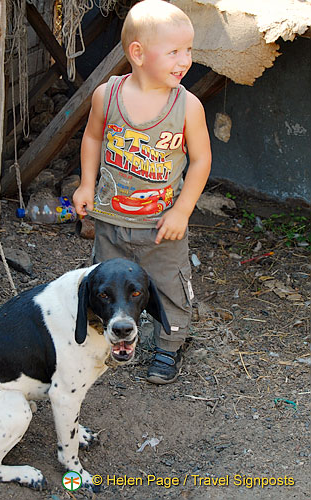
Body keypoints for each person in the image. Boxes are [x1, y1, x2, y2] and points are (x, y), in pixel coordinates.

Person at [73, 0, 211, 384]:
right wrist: (86, 182)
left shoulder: (187, 106)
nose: (185, 60)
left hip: (161, 226)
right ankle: (109, 338)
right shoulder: (108, 94)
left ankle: (169, 347)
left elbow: (200, 160)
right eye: (174, 51)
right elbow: (93, 136)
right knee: (108, 286)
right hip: (111, 222)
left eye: (188, 50)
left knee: (168, 285)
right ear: (137, 53)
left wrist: (182, 210)